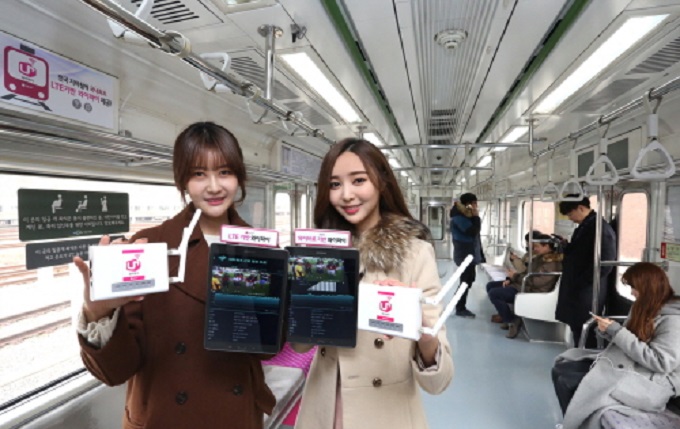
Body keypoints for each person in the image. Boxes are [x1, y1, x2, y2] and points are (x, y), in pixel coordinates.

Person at [73, 122, 275, 429]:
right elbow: (116, 372)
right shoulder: (148, 246)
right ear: (183, 181)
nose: (214, 186)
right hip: (163, 416)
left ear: (239, 177)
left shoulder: (261, 249)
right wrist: (99, 311)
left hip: (235, 416)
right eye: (199, 174)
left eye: (224, 172)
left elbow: (267, 349)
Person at [293, 138, 454, 429]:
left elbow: (438, 381)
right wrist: (297, 303)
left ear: (381, 181)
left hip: (385, 412)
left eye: (358, 180)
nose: (346, 195)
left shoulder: (415, 253)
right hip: (325, 406)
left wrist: (422, 329)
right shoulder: (318, 253)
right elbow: (301, 345)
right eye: (334, 184)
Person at [553, 262, 680, 429]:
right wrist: (608, 332)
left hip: (653, 380)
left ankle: (574, 424)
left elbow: (661, 362)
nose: (632, 292)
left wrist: (617, 331)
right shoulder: (643, 306)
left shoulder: (673, 321)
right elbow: (630, 338)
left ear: (647, 287)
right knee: (560, 369)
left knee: (567, 381)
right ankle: (572, 423)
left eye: (634, 287)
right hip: (632, 365)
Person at [556, 195, 616, 346]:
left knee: (586, 327)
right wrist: (565, 246)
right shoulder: (585, 226)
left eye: (570, 214)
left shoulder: (600, 229)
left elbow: (605, 264)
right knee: (577, 327)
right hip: (578, 287)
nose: (570, 218)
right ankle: (579, 352)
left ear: (581, 208)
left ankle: (585, 357)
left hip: (588, 290)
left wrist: (581, 282)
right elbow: (580, 252)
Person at [487, 232, 562, 338]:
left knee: (494, 293)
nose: (534, 249)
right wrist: (511, 279)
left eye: (536, 247)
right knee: (491, 286)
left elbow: (536, 282)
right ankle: (506, 316)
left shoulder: (552, 264)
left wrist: (515, 277)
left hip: (533, 290)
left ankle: (511, 320)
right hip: (524, 285)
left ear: (546, 246)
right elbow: (526, 273)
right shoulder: (539, 258)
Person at [450, 192, 486, 318]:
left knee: (469, 280)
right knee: (465, 282)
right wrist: (476, 217)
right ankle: (460, 308)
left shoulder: (466, 216)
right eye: (474, 203)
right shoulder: (459, 217)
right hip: (464, 255)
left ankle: (459, 305)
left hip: (470, 254)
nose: (476, 206)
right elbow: (473, 231)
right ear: (468, 204)